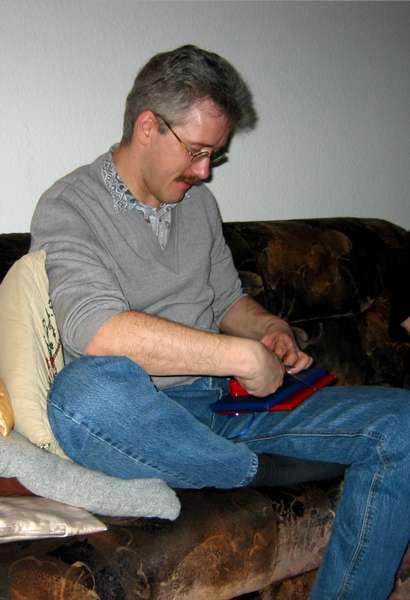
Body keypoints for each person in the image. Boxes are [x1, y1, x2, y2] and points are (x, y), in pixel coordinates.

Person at [30, 45, 410, 600]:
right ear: (147, 126)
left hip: (228, 405)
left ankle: (234, 462)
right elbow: (95, 329)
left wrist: (266, 330)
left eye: (215, 156)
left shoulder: (199, 206)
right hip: (147, 416)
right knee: (82, 397)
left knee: (402, 420)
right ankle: (256, 467)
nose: (204, 171)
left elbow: (228, 300)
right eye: (197, 151)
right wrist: (239, 355)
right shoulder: (69, 205)